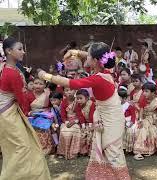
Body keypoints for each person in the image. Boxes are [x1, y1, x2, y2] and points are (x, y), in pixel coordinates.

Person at [38, 42, 130, 179]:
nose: (85, 58)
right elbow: (96, 57)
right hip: (110, 116)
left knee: (112, 151)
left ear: (95, 61)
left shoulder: (98, 78)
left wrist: (45, 75)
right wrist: (74, 52)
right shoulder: (108, 68)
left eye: (89, 56)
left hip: (111, 119)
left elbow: (72, 84)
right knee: (107, 149)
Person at [0, 37, 50, 179]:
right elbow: (21, 98)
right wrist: (29, 111)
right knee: (21, 148)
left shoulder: (6, 67)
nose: (23, 52)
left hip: (8, 113)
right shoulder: (12, 72)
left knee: (17, 148)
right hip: (9, 114)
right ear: (9, 51)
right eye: (20, 49)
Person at [26, 78, 54, 155]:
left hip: (46, 116)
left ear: (45, 85)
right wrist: (31, 113)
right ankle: (34, 148)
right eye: (36, 83)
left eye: (41, 84)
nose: (38, 85)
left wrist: (46, 112)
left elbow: (52, 106)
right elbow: (25, 110)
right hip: (32, 117)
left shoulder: (48, 94)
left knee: (44, 126)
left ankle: (45, 148)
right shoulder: (28, 95)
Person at [133, 82, 157, 160]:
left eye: (146, 91)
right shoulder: (143, 98)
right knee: (142, 127)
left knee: (150, 129)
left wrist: (156, 119)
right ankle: (139, 151)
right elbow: (141, 110)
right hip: (144, 117)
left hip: (153, 117)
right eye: (143, 91)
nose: (144, 93)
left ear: (152, 92)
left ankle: (145, 149)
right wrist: (141, 120)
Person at [57, 87, 82, 159]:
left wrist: (75, 121)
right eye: (67, 90)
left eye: (71, 90)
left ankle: (73, 153)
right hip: (67, 121)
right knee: (63, 131)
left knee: (76, 130)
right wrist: (66, 122)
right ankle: (62, 152)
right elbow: (63, 115)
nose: (69, 92)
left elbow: (81, 114)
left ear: (75, 91)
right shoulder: (64, 102)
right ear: (64, 92)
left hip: (77, 121)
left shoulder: (78, 101)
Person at [76, 89, 95, 156]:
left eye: (80, 98)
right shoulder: (78, 105)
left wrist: (90, 125)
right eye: (77, 98)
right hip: (84, 123)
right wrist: (83, 125)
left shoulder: (91, 104)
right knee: (82, 134)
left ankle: (90, 152)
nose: (78, 100)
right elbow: (80, 115)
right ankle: (83, 151)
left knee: (90, 134)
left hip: (92, 123)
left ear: (87, 98)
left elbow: (91, 115)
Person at [118, 85, 137, 153]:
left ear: (124, 98)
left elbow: (133, 115)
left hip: (128, 121)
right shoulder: (116, 106)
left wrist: (131, 122)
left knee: (129, 131)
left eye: (119, 98)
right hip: (119, 121)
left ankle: (127, 148)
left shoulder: (129, 106)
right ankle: (121, 147)